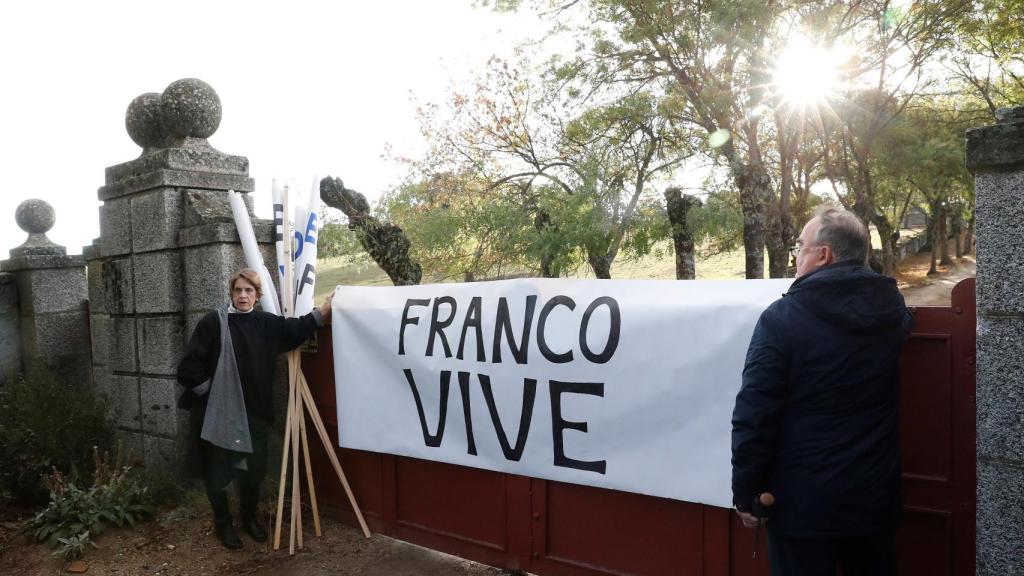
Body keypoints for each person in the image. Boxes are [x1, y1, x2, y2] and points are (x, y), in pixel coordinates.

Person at [731, 207, 913, 575]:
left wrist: (746, 492)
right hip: (874, 502)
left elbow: (754, 413)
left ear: (823, 254)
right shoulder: (892, 309)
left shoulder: (782, 318)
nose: (796, 254)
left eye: (800, 245)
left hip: (804, 509)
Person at [176, 268, 334, 549]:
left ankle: (249, 519)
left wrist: (323, 312)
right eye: (238, 290)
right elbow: (188, 368)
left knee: (252, 471)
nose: (243, 295)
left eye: (249, 291)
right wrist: (216, 394)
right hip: (218, 415)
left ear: (257, 296)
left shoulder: (265, 324)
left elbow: (293, 330)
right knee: (217, 473)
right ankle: (223, 525)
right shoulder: (214, 323)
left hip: (254, 413)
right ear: (231, 294)